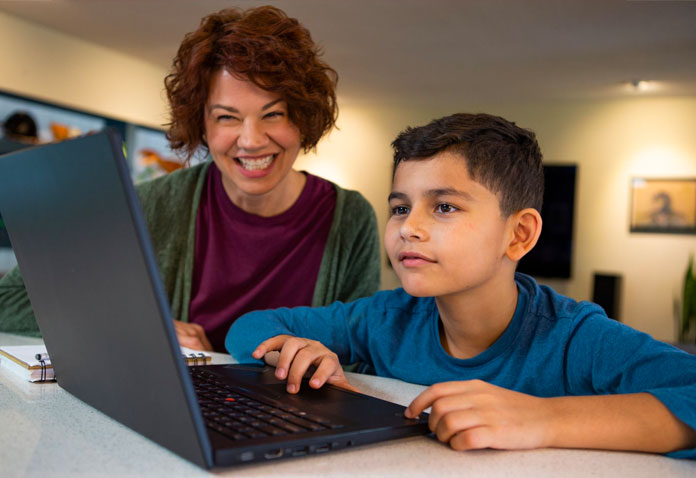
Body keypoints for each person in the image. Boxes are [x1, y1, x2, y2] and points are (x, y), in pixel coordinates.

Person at [226, 113, 696, 458]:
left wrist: (541, 417)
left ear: (519, 235)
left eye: (444, 207)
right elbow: (250, 326)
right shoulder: (384, 318)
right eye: (399, 207)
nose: (409, 227)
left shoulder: (576, 339)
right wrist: (291, 348)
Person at [0, 6, 381, 352]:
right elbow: (9, 300)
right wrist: (145, 327)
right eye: (226, 117)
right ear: (201, 124)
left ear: (302, 118)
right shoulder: (151, 205)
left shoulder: (350, 218)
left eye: (273, 114)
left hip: (301, 415)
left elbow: (362, 352)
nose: (250, 140)